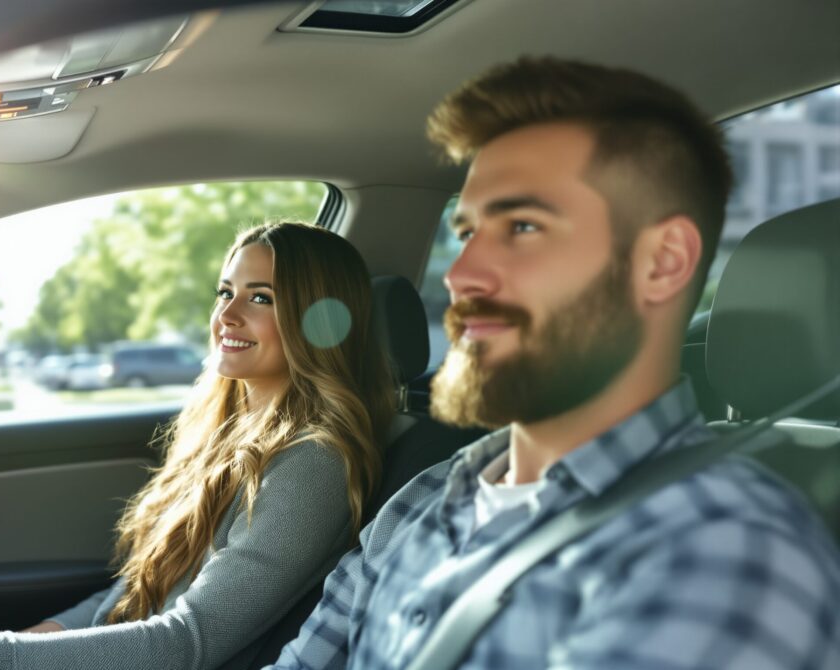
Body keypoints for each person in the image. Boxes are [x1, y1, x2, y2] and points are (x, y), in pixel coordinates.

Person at [268, 57, 840, 668]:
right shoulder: (425, 496)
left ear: (662, 262)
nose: (462, 277)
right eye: (466, 234)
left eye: (522, 226)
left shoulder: (724, 552)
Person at [0, 221, 397, 670]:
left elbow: (185, 641)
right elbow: (129, 597)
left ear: (318, 322)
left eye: (261, 298)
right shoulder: (227, 436)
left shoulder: (313, 463)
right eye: (226, 291)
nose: (227, 314)